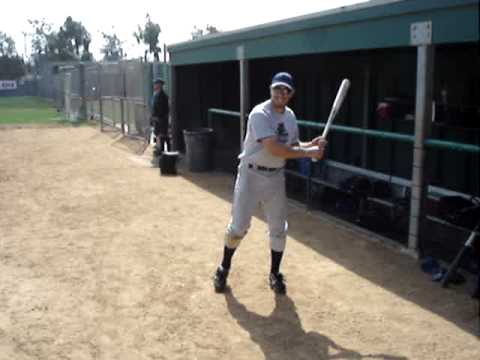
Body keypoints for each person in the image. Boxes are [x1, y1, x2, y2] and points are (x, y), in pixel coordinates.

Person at [213, 72, 327, 295]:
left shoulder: (290, 116)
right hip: (251, 175)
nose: (281, 93)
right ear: (271, 89)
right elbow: (274, 148)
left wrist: (310, 145)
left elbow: (292, 144)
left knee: (278, 229)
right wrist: (308, 152)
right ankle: (223, 268)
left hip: (275, 177)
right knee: (238, 227)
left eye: (286, 90)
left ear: (291, 94)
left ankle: (275, 273)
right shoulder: (260, 113)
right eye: (277, 88)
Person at [150, 78, 170, 157]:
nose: (155, 85)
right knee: (159, 134)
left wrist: (157, 117)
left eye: (156, 84)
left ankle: (164, 151)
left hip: (161, 118)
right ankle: (160, 150)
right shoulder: (156, 94)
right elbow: (154, 107)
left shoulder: (162, 95)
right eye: (155, 84)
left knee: (163, 135)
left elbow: (163, 109)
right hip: (157, 118)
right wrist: (153, 117)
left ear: (160, 85)